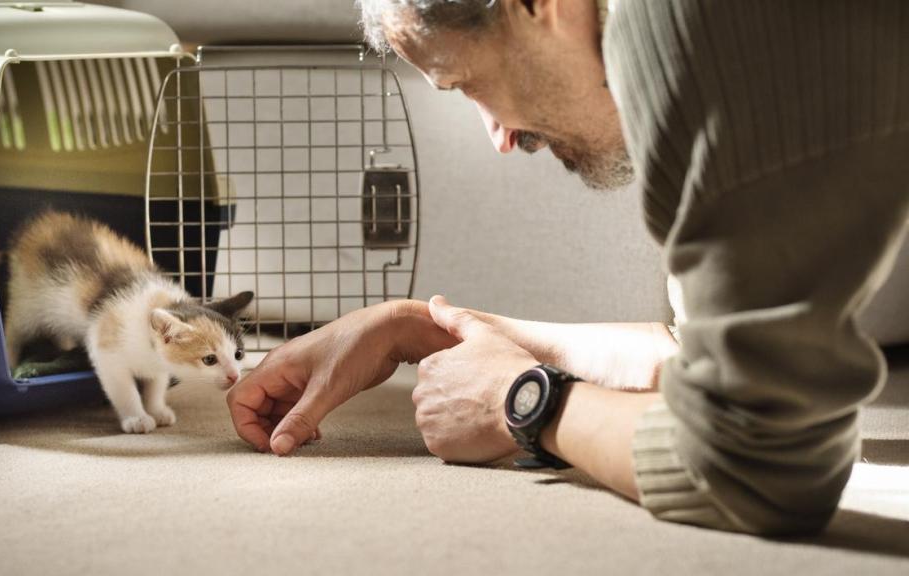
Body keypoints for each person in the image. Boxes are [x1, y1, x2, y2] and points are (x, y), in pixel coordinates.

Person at [227, 0, 909, 535]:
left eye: (466, 83)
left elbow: (755, 463)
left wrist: (523, 401)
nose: (499, 137)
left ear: (537, 4)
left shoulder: (699, 35)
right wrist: (422, 328)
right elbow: (704, 359)